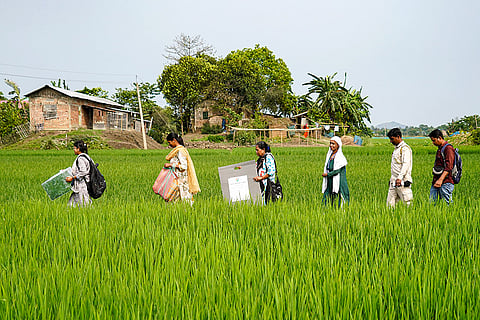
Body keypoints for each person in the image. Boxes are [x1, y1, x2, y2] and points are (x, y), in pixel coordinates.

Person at [164, 133, 200, 203]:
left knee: (185, 201)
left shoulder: (180, 151)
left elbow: (184, 166)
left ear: (174, 140)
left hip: (182, 181)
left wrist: (170, 165)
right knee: (174, 201)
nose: (169, 145)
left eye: (169, 142)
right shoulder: (177, 150)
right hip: (177, 179)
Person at [386, 128, 413, 207]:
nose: (391, 141)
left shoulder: (405, 149)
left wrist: (400, 177)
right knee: (390, 204)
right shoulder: (396, 149)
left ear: (398, 137)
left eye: (392, 139)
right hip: (394, 181)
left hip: (403, 181)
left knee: (407, 203)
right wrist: (392, 179)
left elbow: (406, 164)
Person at [429, 129, 455, 204]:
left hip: (446, 182)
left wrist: (440, 180)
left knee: (446, 204)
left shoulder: (448, 149)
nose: (433, 143)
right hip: (436, 180)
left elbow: (449, 166)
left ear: (440, 138)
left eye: (434, 140)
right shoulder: (440, 149)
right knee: (431, 203)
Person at [322, 136, 350, 206]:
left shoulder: (340, 157)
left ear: (338, 145)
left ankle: (341, 212)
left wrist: (327, 174)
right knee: (327, 196)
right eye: (330, 143)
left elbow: (337, 170)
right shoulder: (330, 155)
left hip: (338, 180)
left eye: (333, 144)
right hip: (330, 180)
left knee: (339, 196)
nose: (331, 145)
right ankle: (324, 211)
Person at [66, 140, 92, 207]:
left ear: (78, 149)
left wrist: (72, 178)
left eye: (74, 148)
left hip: (82, 186)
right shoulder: (87, 157)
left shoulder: (80, 159)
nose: (73, 150)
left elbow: (83, 172)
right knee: (73, 205)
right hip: (81, 186)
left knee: (83, 205)